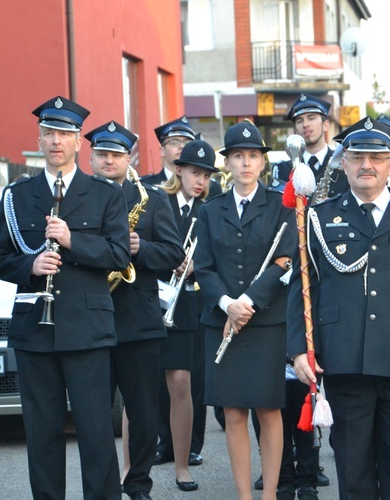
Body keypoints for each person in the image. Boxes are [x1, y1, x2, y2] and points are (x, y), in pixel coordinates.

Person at [288, 116, 390, 499]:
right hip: (343, 361)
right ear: (344, 162)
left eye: (377, 158)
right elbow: (302, 288)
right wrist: (299, 348)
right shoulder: (317, 218)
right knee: (354, 471)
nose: (367, 165)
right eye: (357, 157)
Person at [0, 96, 130, 499]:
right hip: (35, 330)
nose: (56, 141)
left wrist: (73, 241)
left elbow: (119, 255)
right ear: (39, 138)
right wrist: (29, 268)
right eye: (49, 133)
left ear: (79, 140)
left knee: (96, 433)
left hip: (87, 329)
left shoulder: (104, 194)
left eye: (65, 134)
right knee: (42, 432)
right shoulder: (18, 195)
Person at [84, 120, 185, 500]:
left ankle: (138, 483)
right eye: (102, 154)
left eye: (116, 155)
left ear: (130, 158)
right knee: (93, 415)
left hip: (138, 320)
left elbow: (174, 253)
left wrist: (142, 248)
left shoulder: (154, 199)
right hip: (91, 317)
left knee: (143, 412)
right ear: (90, 157)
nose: (109, 160)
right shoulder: (79, 197)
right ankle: (105, 485)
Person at [195, 121, 296, 500]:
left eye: (253, 155)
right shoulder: (211, 209)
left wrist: (248, 302)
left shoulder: (281, 206)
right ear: (228, 163)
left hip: (266, 322)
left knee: (269, 410)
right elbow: (203, 268)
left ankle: (269, 493)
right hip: (221, 323)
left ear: (263, 162)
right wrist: (227, 304)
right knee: (233, 411)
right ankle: (244, 495)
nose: (246, 163)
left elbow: (285, 261)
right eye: (238, 156)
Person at [156, 138, 218, 491]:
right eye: (195, 173)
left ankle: (184, 462)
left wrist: (198, 264)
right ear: (178, 170)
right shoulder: (156, 201)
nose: (200, 181)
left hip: (187, 303)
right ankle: (138, 463)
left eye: (206, 176)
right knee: (147, 384)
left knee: (182, 381)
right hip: (154, 299)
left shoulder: (208, 210)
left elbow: (215, 254)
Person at [270, 93, 348, 199]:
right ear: (296, 130)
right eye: (299, 121)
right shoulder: (283, 170)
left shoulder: (343, 165)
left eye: (311, 118)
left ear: (325, 125)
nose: (305, 124)